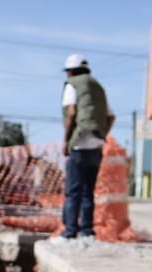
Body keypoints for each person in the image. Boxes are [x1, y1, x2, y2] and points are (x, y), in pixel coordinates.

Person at [58, 54, 115, 240]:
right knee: (88, 192)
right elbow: (111, 116)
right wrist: (102, 134)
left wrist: (66, 141)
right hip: (96, 145)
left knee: (73, 191)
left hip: (80, 143)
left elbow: (71, 113)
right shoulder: (98, 87)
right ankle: (87, 230)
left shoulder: (72, 85)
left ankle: (69, 231)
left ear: (70, 72)